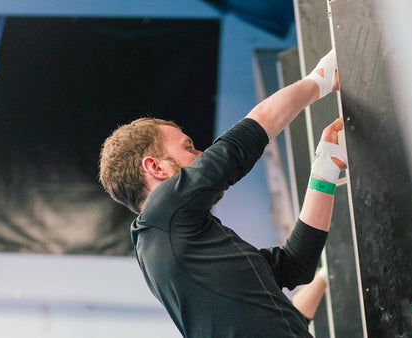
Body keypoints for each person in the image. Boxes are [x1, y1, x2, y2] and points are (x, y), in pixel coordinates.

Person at [99, 49, 344, 337]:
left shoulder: (175, 241)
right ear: (155, 167)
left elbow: (294, 267)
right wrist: (320, 80)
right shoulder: (163, 214)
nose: (200, 154)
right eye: (188, 148)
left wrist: (326, 168)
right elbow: (237, 147)